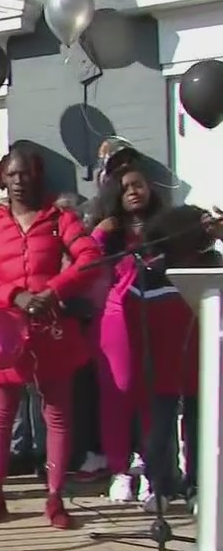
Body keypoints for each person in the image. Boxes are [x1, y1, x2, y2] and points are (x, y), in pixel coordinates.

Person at [0, 143, 102, 528]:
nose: (18, 181)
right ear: (2, 179)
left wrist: (53, 290)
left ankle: (56, 496)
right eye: (11, 174)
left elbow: (90, 258)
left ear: (36, 175)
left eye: (24, 173)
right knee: (1, 415)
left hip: (50, 328)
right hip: (5, 331)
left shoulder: (59, 218)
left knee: (57, 415)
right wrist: (15, 295)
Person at [127, 204, 223, 513]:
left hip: (204, 367)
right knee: (159, 431)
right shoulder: (152, 273)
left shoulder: (215, 265)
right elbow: (133, 313)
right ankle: (161, 485)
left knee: (200, 429)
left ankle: (197, 487)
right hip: (162, 368)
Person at [90, 165, 164, 503]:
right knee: (117, 397)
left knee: (152, 397)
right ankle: (120, 470)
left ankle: (152, 470)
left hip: (156, 316)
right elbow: (84, 262)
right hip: (116, 317)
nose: (133, 192)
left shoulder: (164, 225)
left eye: (138, 184)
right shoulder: (111, 231)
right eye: (125, 188)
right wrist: (99, 234)